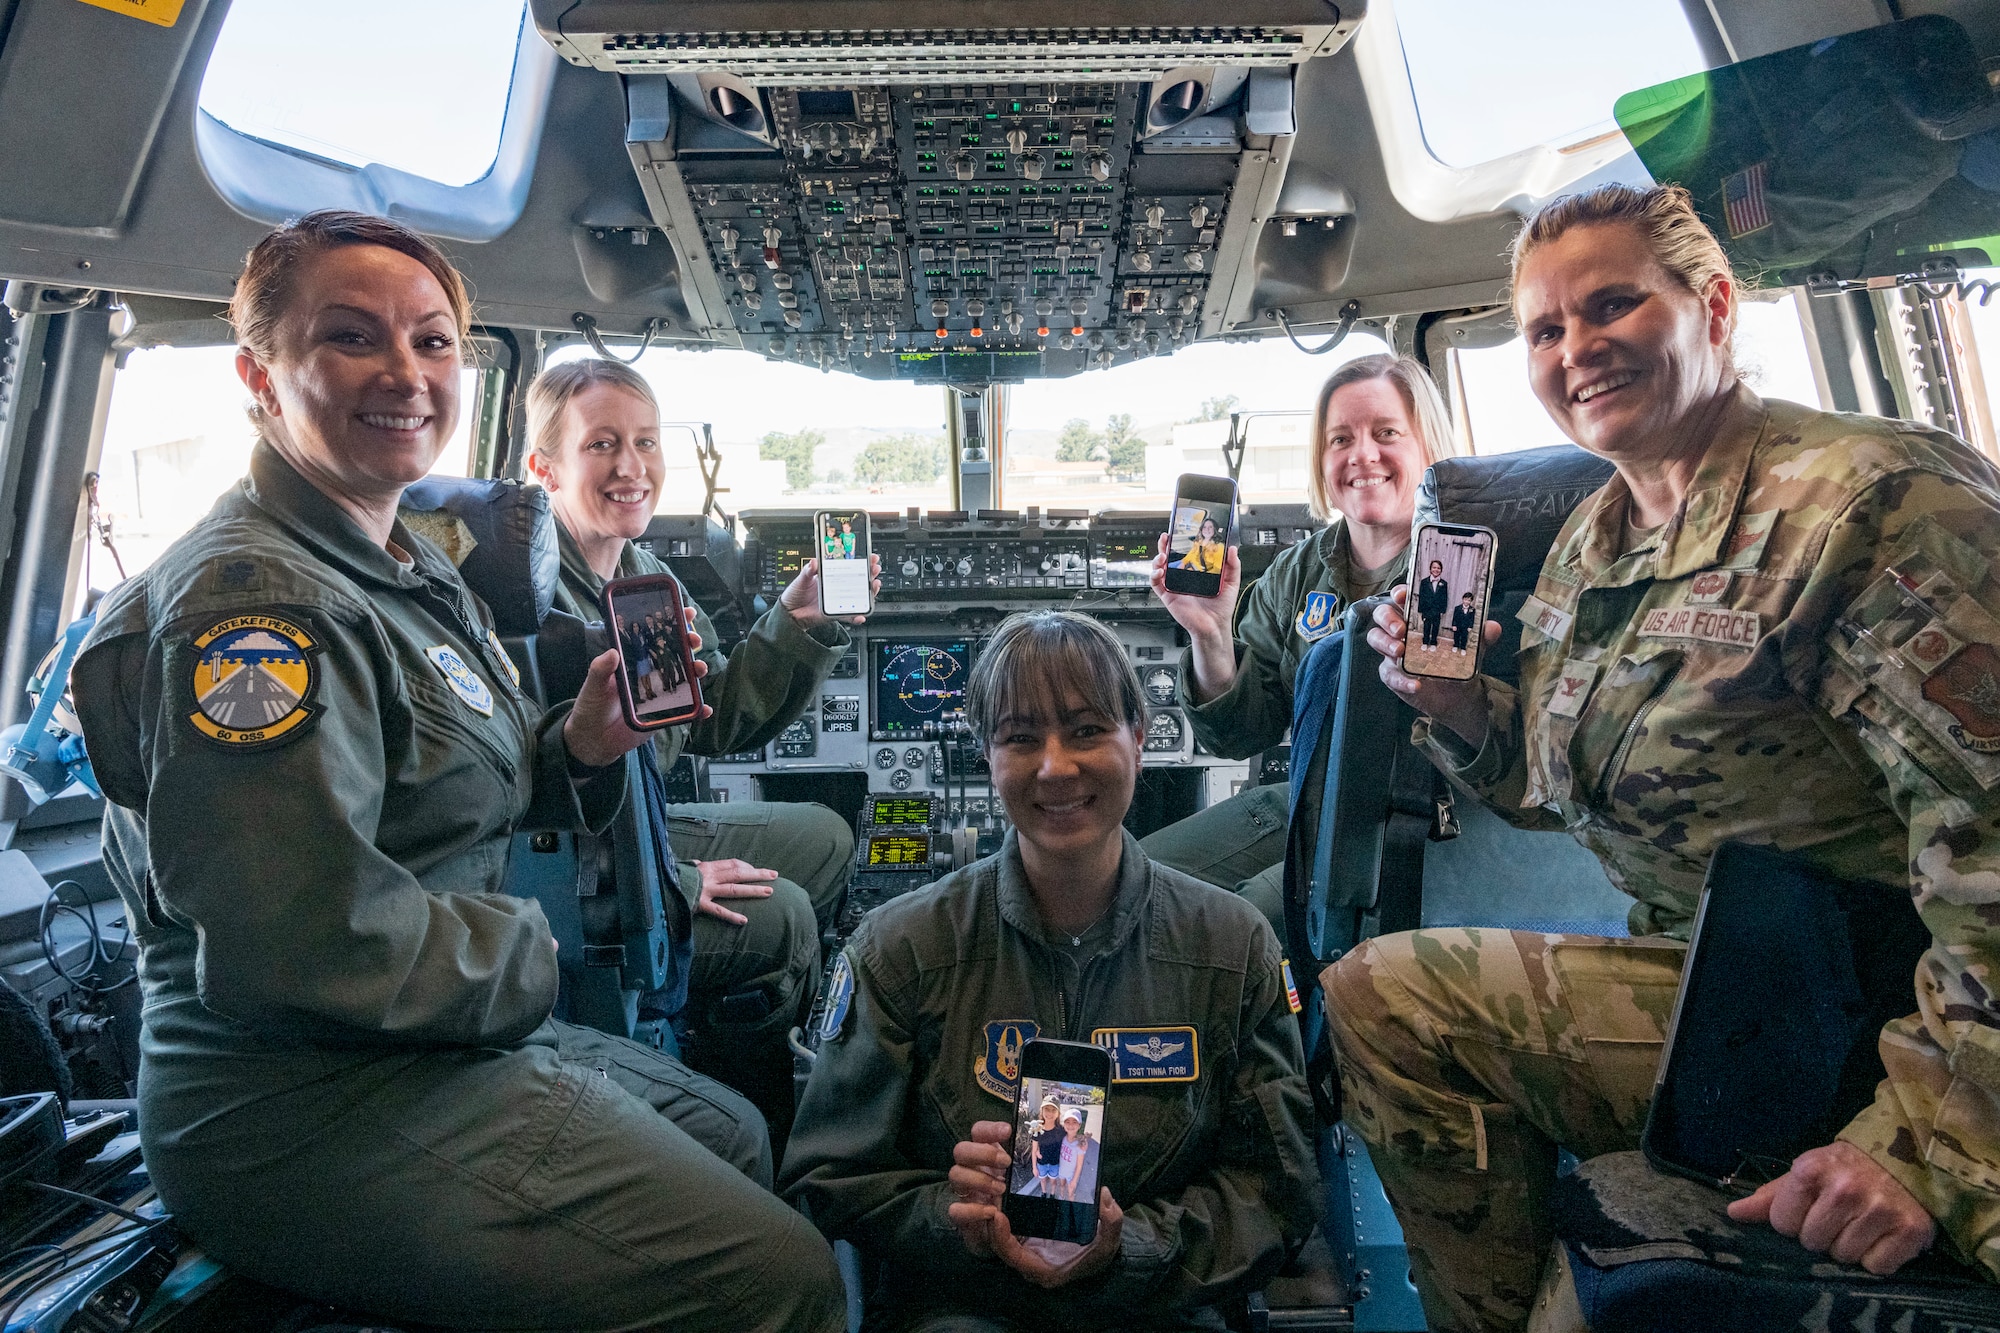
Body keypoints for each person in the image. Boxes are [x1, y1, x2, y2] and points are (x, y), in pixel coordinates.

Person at [69, 211, 844, 1332]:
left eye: (432, 343)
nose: (405, 373)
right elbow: (304, 943)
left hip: (416, 1032)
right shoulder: (260, 607)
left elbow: (434, 787)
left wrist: (576, 744)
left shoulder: (401, 568)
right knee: (786, 1283)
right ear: (258, 372)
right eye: (350, 337)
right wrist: (538, 951)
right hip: (301, 1099)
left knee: (733, 1135)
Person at [1327, 182, 2000, 1333]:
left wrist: (1922, 1146)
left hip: (1892, 1018)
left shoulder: (1869, 504)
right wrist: (1459, 707)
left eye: (1611, 305)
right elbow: (1548, 785)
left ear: (1713, 306)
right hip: (1735, 989)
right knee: (1383, 1002)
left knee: (1386, 994)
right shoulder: (1600, 534)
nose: (1575, 348)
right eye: (1544, 328)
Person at [783, 611, 1320, 1332]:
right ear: (986, 752)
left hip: (1157, 1300)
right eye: (1021, 736)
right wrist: (957, 1216)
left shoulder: (1234, 947)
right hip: (966, 1305)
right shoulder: (901, 947)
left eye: (1088, 730)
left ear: (1140, 734)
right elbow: (832, 1176)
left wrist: (1129, 1244)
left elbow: (1275, 1192)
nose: (1055, 766)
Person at [523, 357, 880, 1141]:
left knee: (824, 835)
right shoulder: (524, 602)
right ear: (541, 466)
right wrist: (677, 879)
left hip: (637, 825)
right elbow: (523, 803)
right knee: (785, 918)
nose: (631, 467)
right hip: (584, 873)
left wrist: (797, 619)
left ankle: (728, 1006)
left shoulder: (647, 576)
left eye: (647, 442)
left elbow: (713, 715)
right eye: (603, 444)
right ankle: (764, 1108)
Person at [1141, 354, 1459, 933]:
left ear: (1428, 448)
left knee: (1221, 929)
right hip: (1312, 795)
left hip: (1428, 813)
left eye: (1386, 433)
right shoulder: (1295, 573)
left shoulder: (1460, 570)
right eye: (1341, 439)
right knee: (1132, 886)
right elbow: (1239, 732)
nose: (1362, 455)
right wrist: (1210, 631)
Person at [1415, 559, 1448, 650]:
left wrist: (1442, 610)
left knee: (1435, 626)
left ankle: (1433, 642)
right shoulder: (1424, 582)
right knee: (1427, 626)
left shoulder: (1443, 584)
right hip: (1427, 609)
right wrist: (1421, 610)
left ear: (1441, 570)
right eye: (1434, 567)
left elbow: (1444, 598)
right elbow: (1421, 596)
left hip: (1437, 610)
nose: (1436, 569)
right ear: (1430, 569)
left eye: (1438, 568)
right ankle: (1425, 642)